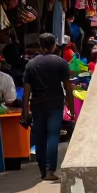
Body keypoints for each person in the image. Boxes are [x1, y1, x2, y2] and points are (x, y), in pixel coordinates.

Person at [22, 32, 74, 182]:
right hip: (55, 104)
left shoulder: (30, 64)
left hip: (37, 105)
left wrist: (25, 111)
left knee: (40, 138)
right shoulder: (61, 63)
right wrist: (71, 109)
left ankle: (43, 171)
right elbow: (68, 88)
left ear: (40, 46)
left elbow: (26, 92)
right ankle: (50, 170)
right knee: (52, 136)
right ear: (54, 46)